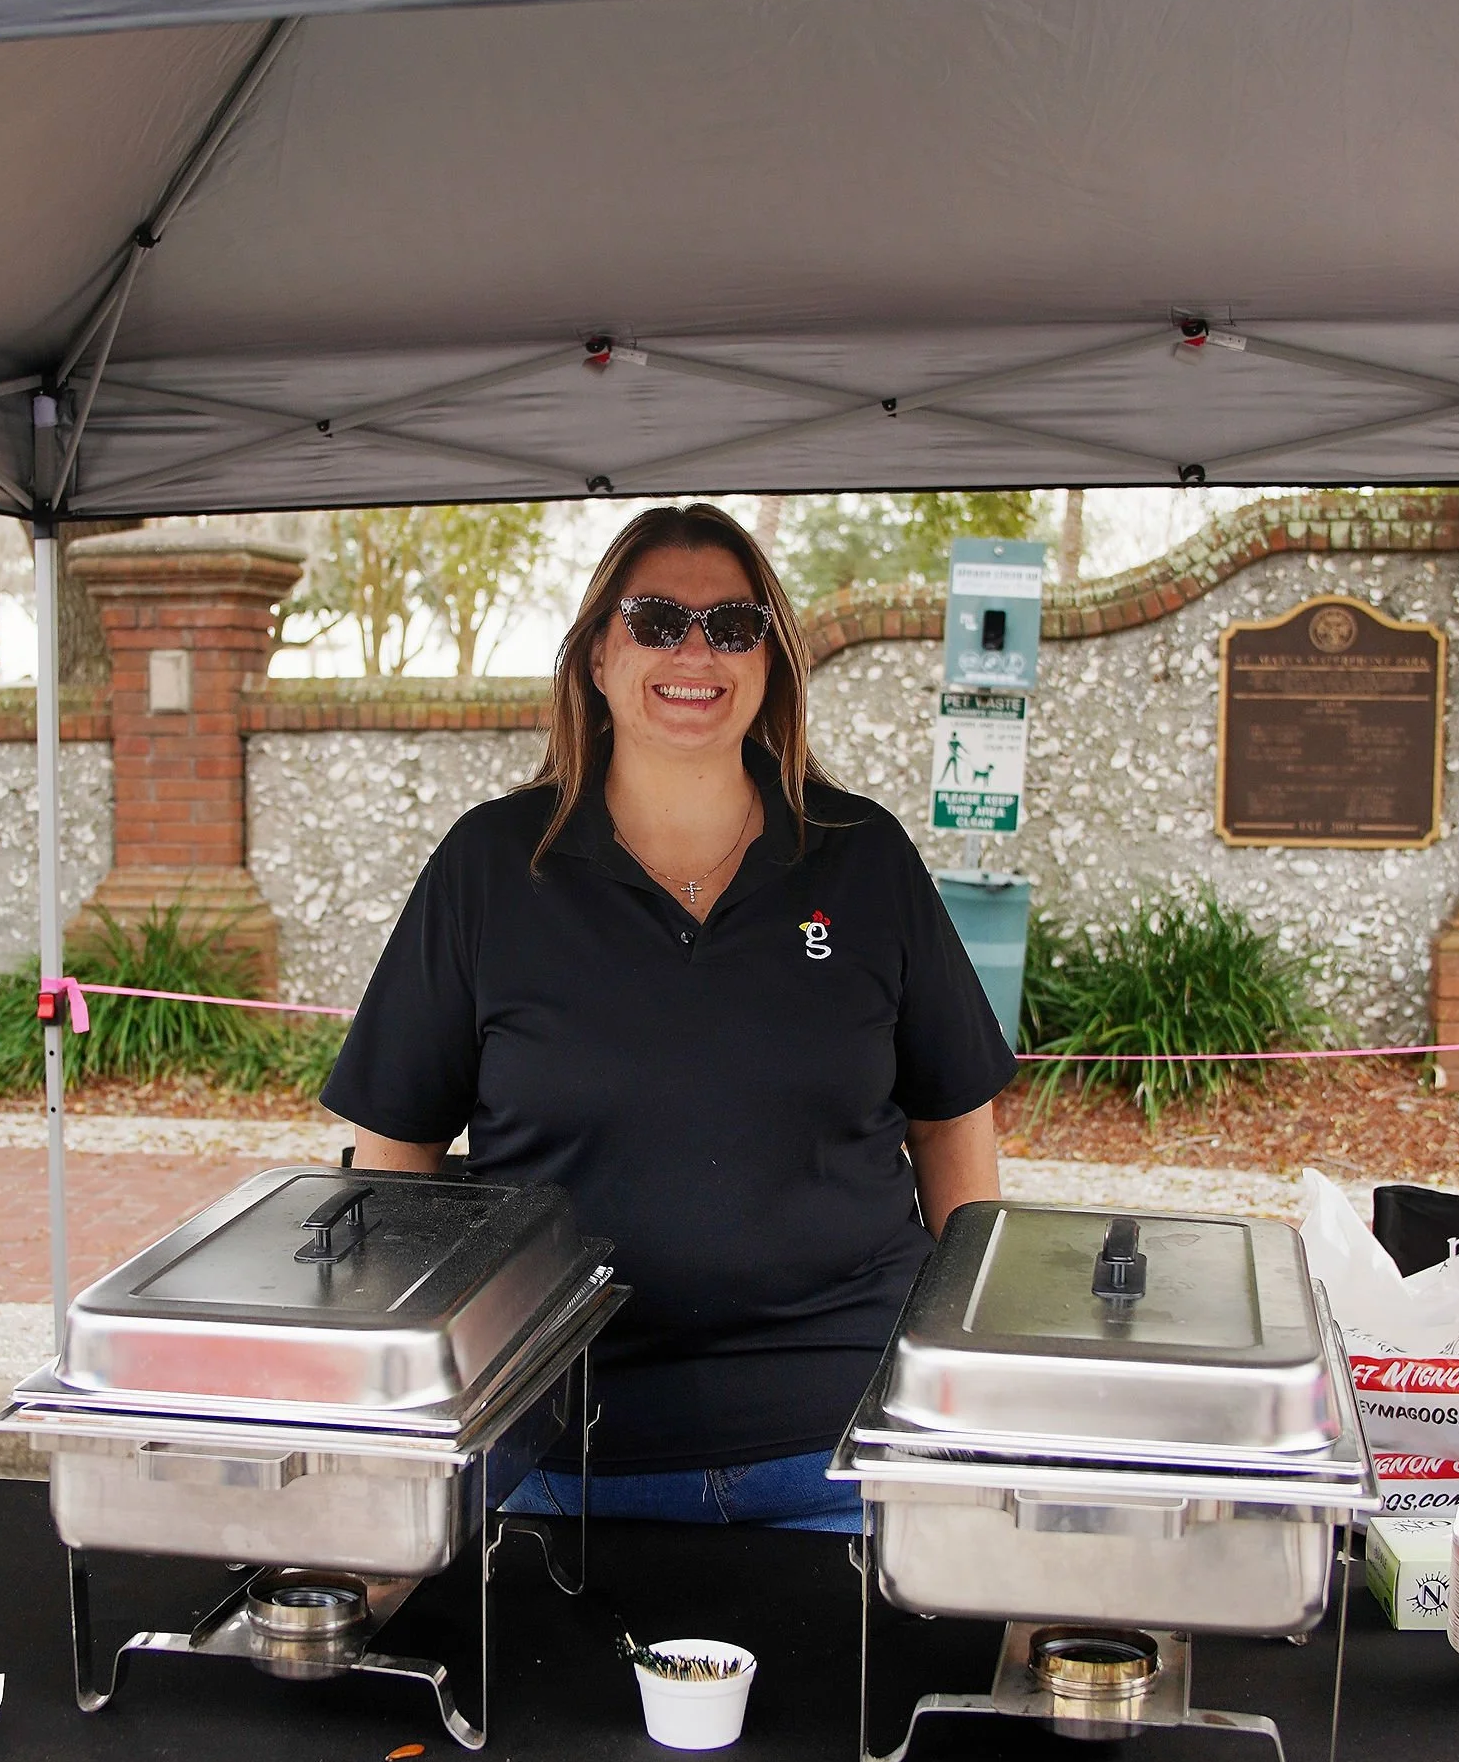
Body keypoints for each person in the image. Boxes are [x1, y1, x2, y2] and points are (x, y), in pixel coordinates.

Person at [320, 501, 1013, 1531]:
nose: (696, 650)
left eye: (733, 626)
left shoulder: (863, 857)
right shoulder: (489, 867)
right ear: (596, 656)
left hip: (847, 1450)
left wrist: (969, 1392)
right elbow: (393, 1163)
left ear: (768, 661)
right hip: (561, 1459)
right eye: (654, 619)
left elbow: (953, 1132)